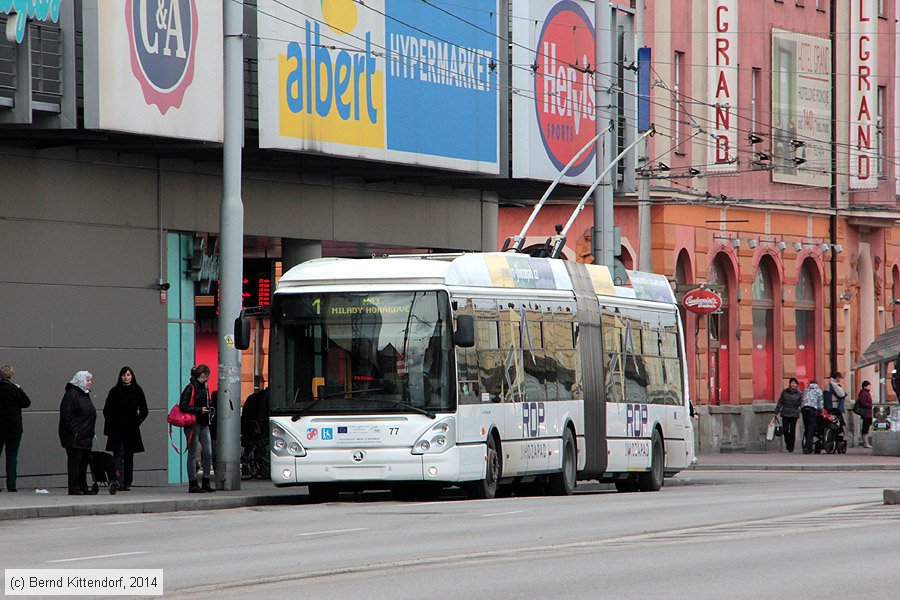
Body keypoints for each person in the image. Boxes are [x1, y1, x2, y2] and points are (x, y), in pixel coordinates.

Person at [102, 366, 149, 491]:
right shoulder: (114, 391)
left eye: (128, 375)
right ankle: (119, 481)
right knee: (118, 455)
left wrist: (136, 422)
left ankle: (127, 482)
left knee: (129, 456)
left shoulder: (137, 390)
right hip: (117, 429)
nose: (126, 377)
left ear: (132, 376)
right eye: (123, 375)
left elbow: (144, 410)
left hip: (131, 430)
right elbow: (107, 410)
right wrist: (113, 422)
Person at [59, 371, 97, 495]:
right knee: (75, 462)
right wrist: (75, 431)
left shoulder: (85, 394)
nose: (90, 382)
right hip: (75, 436)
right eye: (88, 380)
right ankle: (74, 487)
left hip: (86, 435)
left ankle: (83, 486)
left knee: (84, 462)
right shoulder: (71, 394)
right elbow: (66, 415)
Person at [180, 365, 215, 493]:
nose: (208, 377)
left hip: (204, 423)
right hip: (193, 423)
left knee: (208, 453)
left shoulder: (205, 387)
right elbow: (183, 406)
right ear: (203, 374)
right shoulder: (191, 387)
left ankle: (206, 481)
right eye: (208, 375)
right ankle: (193, 483)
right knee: (193, 453)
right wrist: (199, 410)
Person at [0, 365, 31, 492]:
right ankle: (11, 485)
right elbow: (26, 403)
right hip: (13, 427)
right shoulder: (14, 389)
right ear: (11, 375)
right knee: (12, 456)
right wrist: (20, 389)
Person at [775, 377, 802, 453]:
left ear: (796, 385)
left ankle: (791, 446)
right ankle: (788, 443)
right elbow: (780, 401)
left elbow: (801, 403)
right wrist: (777, 410)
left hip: (794, 414)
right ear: (789, 384)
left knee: (792, 430)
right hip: (785, 413)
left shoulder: (799, 393)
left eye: (795, 383)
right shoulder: (784, 392)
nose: (793, 384)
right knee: (785, 430)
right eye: (792, 383)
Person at [800, 380, 823, 454]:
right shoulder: (818, 390)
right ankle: (808, 447)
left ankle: (806, 444)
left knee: (806, 428)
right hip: (812, 409)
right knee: (811, 428)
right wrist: (821, 412)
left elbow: (802, 399)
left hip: (804, 409)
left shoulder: (805, 390)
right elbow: (820, 402)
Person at [857, 380, 874, 449]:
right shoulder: (864, 393)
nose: (870, 387)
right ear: (864, 386)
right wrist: (870, 406)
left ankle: (866, 442)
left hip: (868, 413)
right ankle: (865, 442)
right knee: (865, 427)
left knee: (867, 426)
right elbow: (863, 403)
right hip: (866, 413)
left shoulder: (867, 393)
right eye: (868, 386)